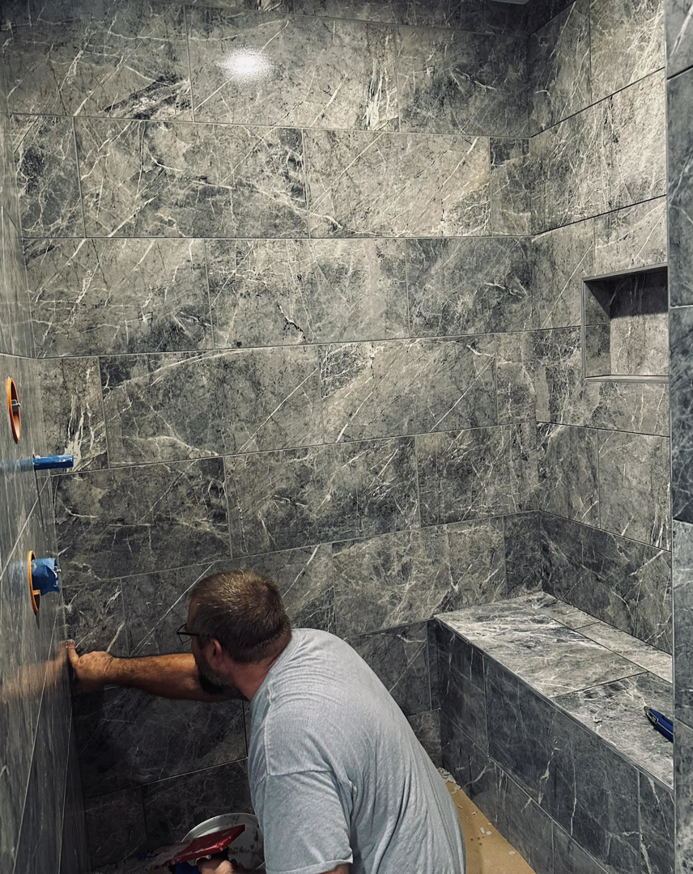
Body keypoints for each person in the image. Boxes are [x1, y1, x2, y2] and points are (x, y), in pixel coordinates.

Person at [68, 569, 466, 874]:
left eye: (190, 636)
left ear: (216, 650)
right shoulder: (315, 646)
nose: (188, 646)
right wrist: (109, 669)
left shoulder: (284, 746)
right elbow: (203, 678)